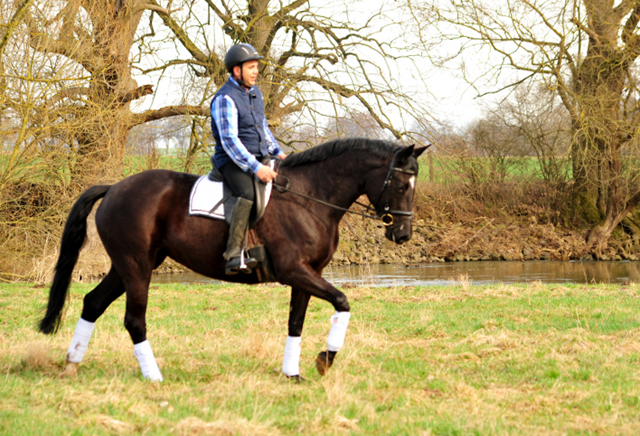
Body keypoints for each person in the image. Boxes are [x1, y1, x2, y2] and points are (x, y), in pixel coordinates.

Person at [210, 43, 287, 275]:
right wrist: (256, 168)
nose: (256, 72)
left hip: (257, 156)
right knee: (248, 193)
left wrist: (277, 152)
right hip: (231, 161)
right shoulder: (225, 98)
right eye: (251, 67)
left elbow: (262, 127)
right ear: (236, 71)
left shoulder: (255, 93)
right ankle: (233, 254)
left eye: (257, 67)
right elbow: (229, 141)